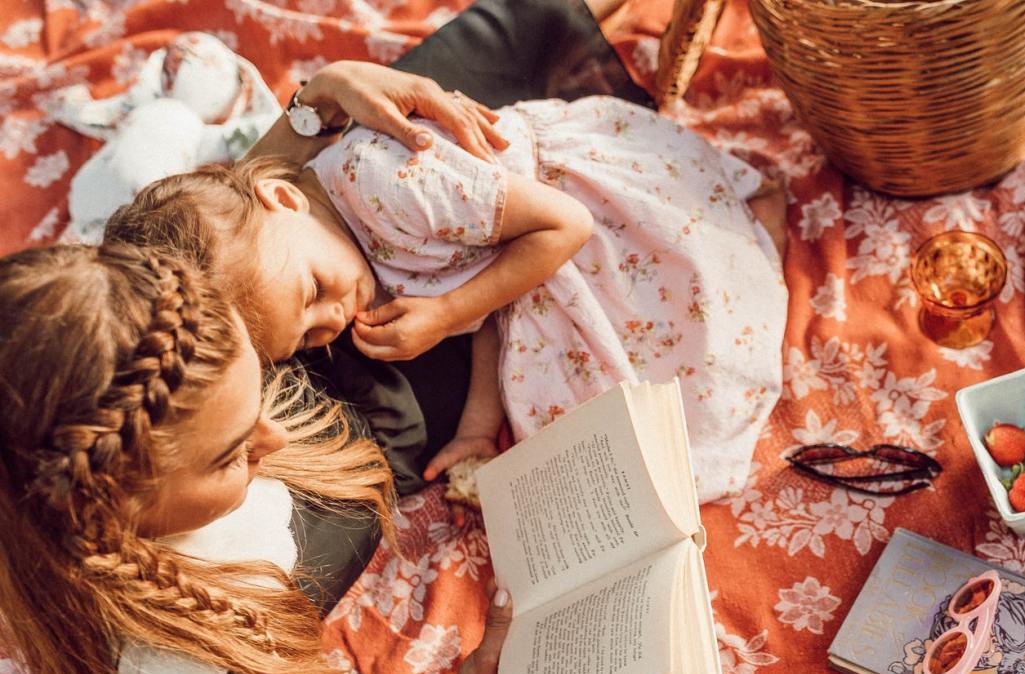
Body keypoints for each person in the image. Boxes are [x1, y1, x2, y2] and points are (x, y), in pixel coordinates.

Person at [0, 52, 585, 674]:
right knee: (564, 153)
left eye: (257, 381)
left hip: (361, 294)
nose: (272, 438)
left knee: (509, 64)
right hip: (414, 390)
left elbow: (239, 245)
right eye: (233, 455)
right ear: (116, 518)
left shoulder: (145, 348)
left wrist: (312, 109)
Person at [105, 95, 788, 502]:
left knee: (700, 320)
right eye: (310, 337)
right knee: (590, 430)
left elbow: (564, 228)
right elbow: (491, 301)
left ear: (284, 197)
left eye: (314, 294)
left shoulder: (385, 182)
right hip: (526, 262)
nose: (333, 318)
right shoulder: (327, 251)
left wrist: (445, 314)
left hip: (579, 211)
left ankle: (759, 228)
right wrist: (472, 429)